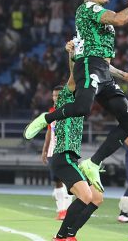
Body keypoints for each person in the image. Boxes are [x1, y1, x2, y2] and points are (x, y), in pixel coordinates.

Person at [24, 0, 128, 193]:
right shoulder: (87, 8)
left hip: (102, 71)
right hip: (88, 66)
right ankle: (45, 119)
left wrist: (124, 74)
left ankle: (93, 163)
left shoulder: (99, 20)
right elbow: (121, 20)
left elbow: (104, 61)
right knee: (83, 107)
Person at [52, 40, 103, 241]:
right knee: (86, 196)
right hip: (63, 157)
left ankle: (70, 235)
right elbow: (73, 76)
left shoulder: (81, 103)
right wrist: (72, 55)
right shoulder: (66, 100)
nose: (57, 98)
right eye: (54, 96)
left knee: (96, 198)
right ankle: (61, 237)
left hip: (72, 158)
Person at [41, 85, 72, 220]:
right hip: (53, 151)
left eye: (58, 95)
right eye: (54, 95)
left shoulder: (70, 111)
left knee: (68, 181)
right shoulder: (51, 111)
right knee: (57, 181)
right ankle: (61, 211)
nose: (55, 98)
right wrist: (44, 150)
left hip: (67, 150)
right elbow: (49, 132)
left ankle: (67, 210)